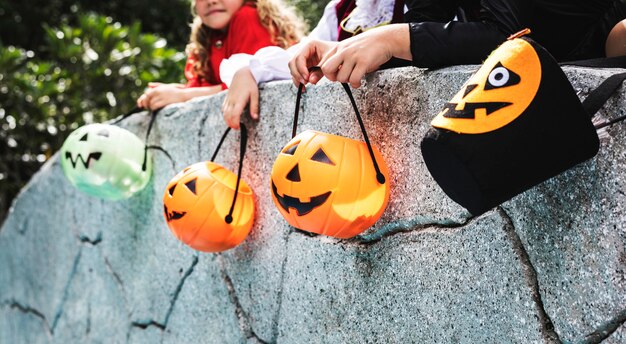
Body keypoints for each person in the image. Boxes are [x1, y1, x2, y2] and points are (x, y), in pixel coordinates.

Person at [289, 0, 626, 89]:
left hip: (598, 43)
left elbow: (504, 34)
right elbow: (421, 32)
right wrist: (345, 49)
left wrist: (391, 37)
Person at [220, 0, 406, 129]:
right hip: (350, 129)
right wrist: (250, 70)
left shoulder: (420, 7)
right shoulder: (340, 10)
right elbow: (301, 57)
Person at [136, 0, 304, 110]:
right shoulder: (205, 35)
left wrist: (182, 95)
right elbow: (203, 89)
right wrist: (171, 92)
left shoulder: (248, 17)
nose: (211, 1)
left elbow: (253, 81)